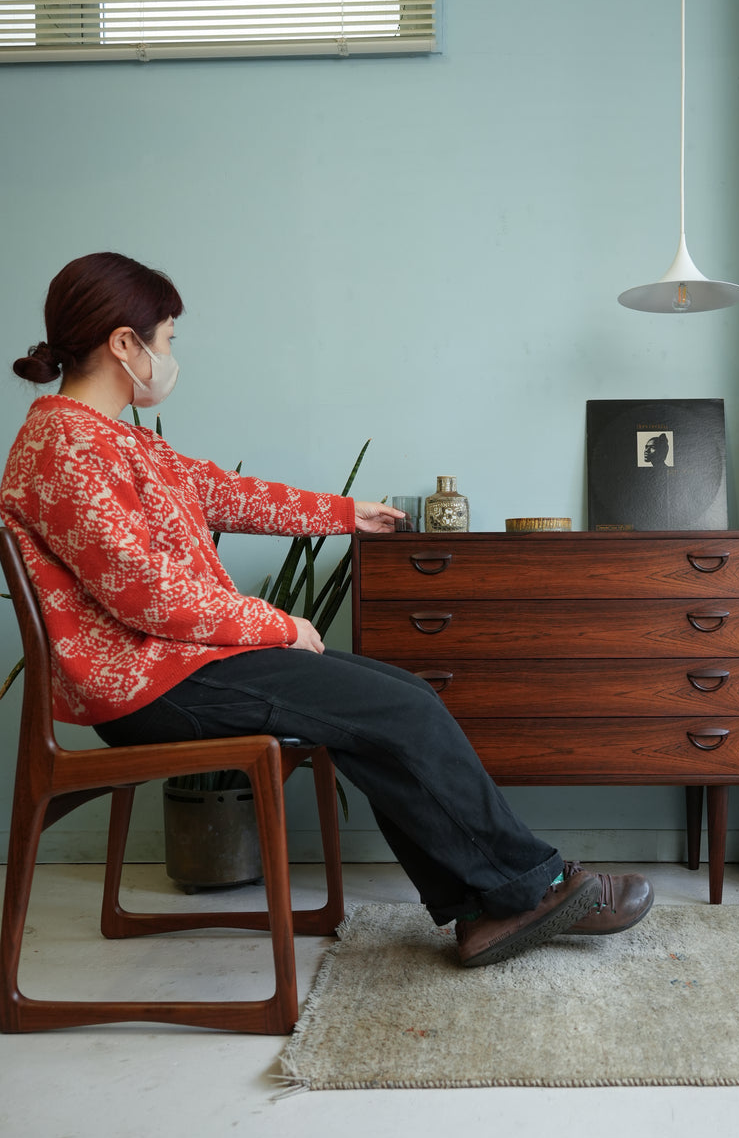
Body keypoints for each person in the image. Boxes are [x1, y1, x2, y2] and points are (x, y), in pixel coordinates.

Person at [0, 253, 653, 968]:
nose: (171, 356)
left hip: (177, 667)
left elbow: (225, 494)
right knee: (401, 710)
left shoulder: (112, 437)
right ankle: (531, 889)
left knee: (400, 696)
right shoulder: (66, 444)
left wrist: (345, 514)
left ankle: (480, 908)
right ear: (126, 343)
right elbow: (146, 592)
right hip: (150, 683)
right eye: (169, 339)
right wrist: (279, 625)